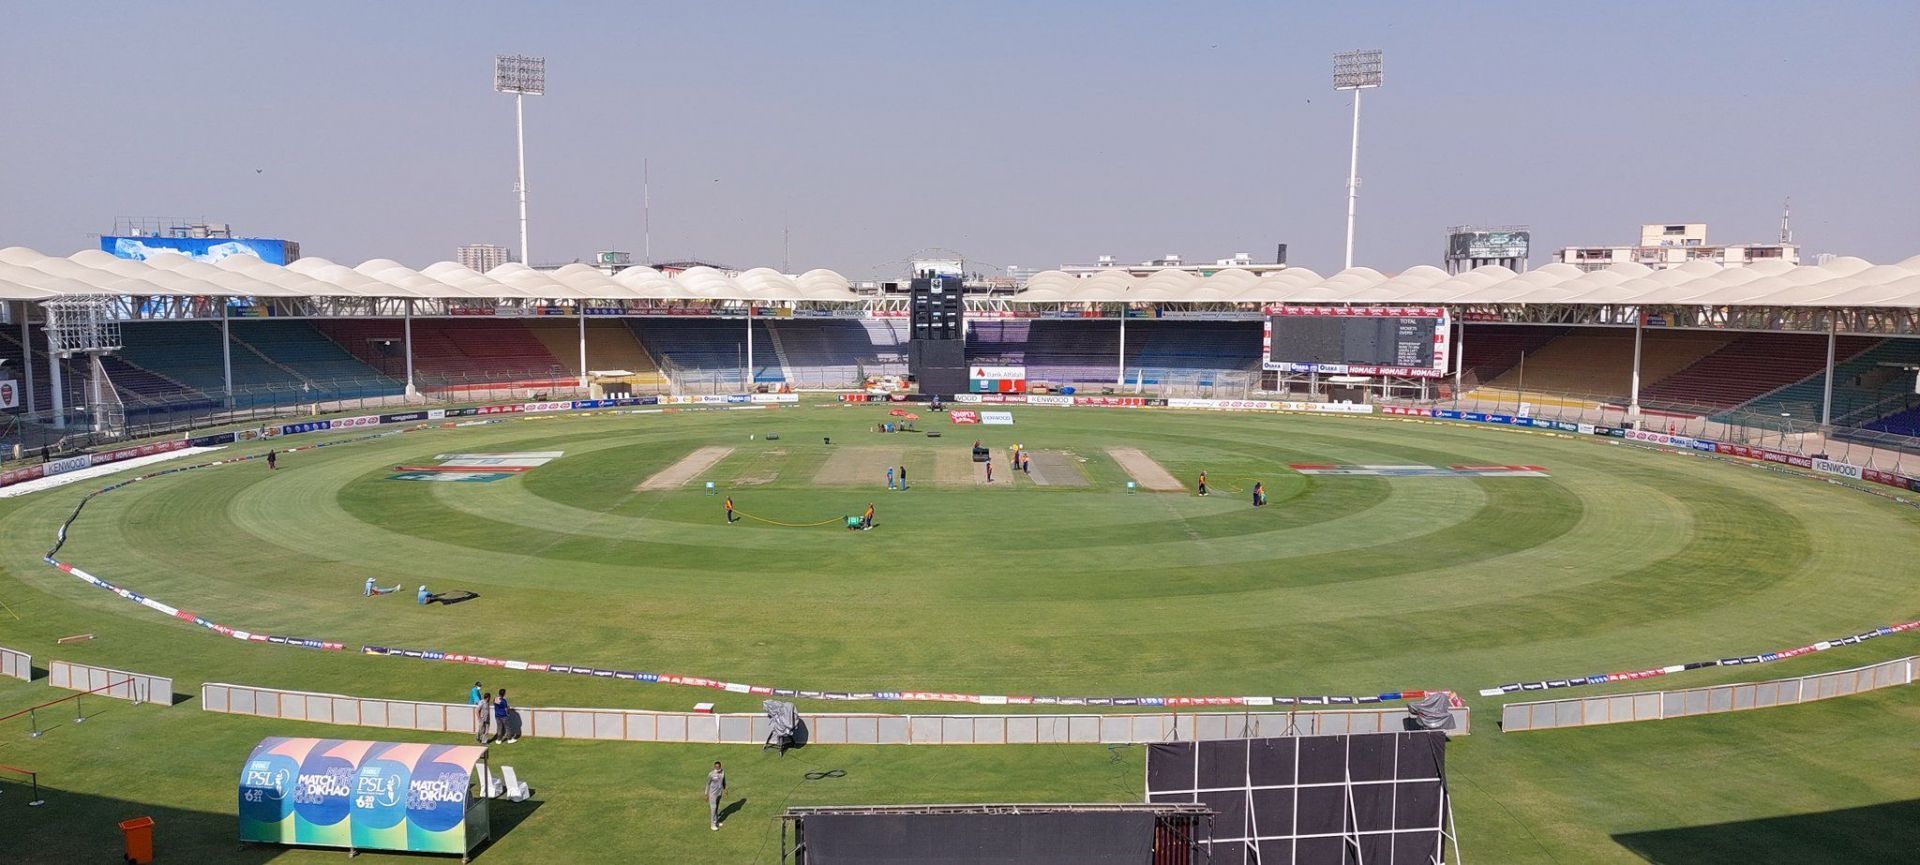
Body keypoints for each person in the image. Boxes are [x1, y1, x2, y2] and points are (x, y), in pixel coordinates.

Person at [706, 761, 728, 830]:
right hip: (712, 794)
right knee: (713, 808)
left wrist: (725, 789)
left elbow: (724, 781)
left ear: (720, 766)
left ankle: (716, 822)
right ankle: (712, 825)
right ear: (714, 767)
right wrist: (706, 794)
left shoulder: (723, 772)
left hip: (719, 793)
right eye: (716, 767)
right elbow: (707, 784)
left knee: (716, 808)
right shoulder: (711, 774)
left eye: (719, 767)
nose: (717, 768)